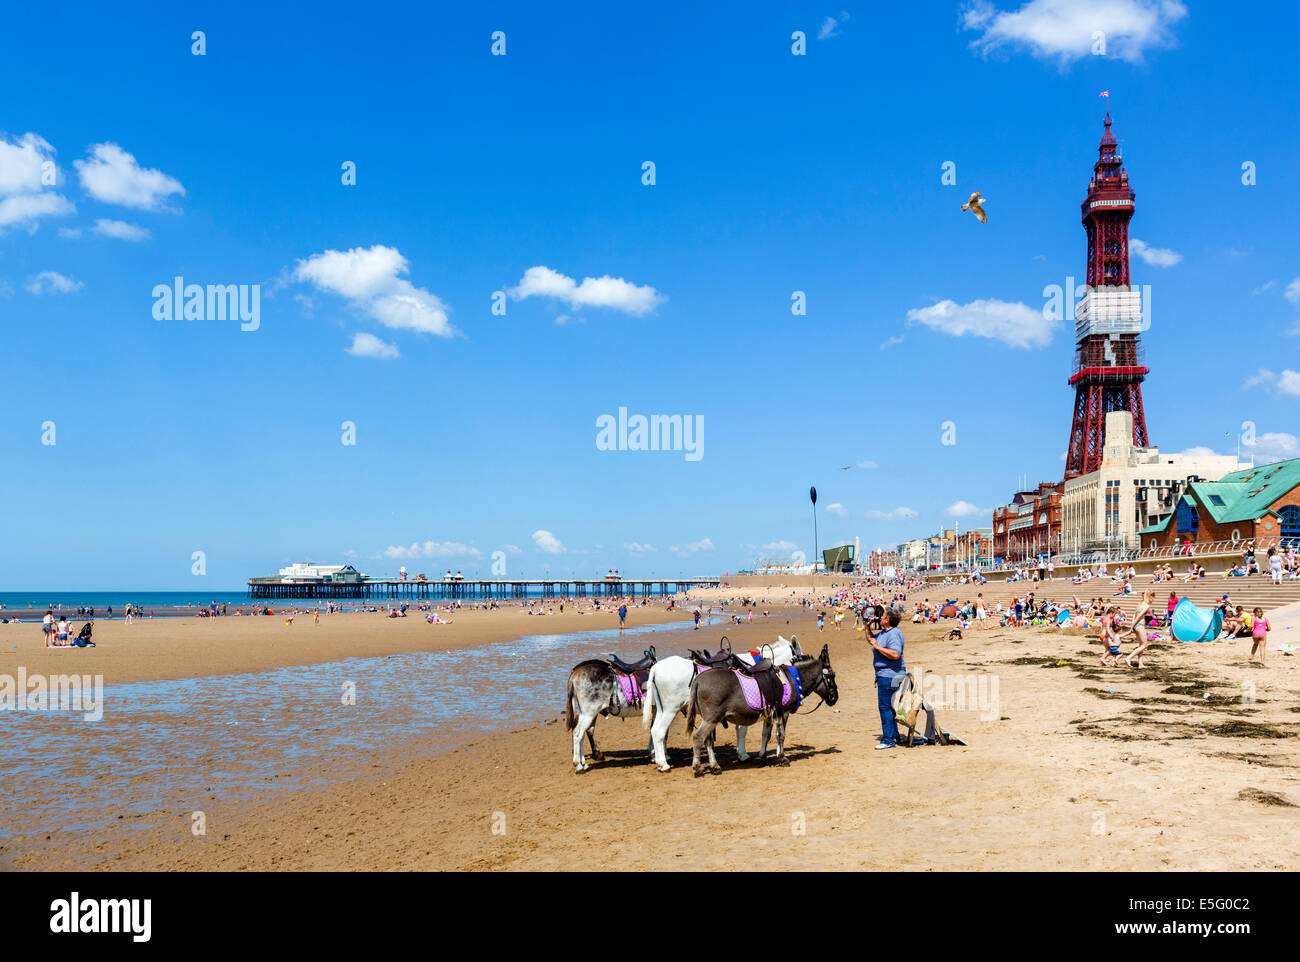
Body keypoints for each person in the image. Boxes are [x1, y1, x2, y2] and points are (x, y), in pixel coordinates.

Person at [866, 608, 906, 750]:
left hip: (890, 674)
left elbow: (895, 654)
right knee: (889, 706)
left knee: (885, 707)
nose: (880, 618)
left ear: (887, 620)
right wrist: (867, 626)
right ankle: (894, 735)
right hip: (885, 674)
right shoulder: (884, 633)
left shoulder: (894, 633)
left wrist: (878, 647)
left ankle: (888, 739)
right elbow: (871, 640)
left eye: (882, 616)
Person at [1125, 591, 1154, 669]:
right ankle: (1129, 658)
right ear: (1150, 597)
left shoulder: (1139, 604)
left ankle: (1140, 664)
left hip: (1137, 625)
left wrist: (1133, 626)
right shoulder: (1146, 606)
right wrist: (1132, 626)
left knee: (1141, 645)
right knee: (1144, 645)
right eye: (1153, 598)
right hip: (1140, 625)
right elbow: (1139, 616)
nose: (1154, 599)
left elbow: (1135, 615)